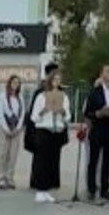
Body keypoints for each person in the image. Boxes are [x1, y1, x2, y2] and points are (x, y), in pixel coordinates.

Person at [82, 64, 109, 203]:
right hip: (97, 129)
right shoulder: (94, 91)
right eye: (107, 71)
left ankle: (104, 189)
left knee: (107, 161)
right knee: (93, 161)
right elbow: (87, 112)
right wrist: (98, 113)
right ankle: (91, 189)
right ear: (101, 74)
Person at [27, 70, 70, 204]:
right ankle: (40, 190)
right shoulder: (41, 96)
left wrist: (62, 112)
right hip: (43, 130)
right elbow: (33, 117)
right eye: (54, 79)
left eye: (58, 80)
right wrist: (44, 111)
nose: (56, 82)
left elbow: (68, 117)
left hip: (56, 130)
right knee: (42, 162)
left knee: (52, 161)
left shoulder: (64, 96)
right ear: (49, 81)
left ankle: (47, 190)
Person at [0, 74, 25, 189]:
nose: (15, 85)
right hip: (3, 129)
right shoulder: (1, 97)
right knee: (2, 154)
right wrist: (7, 129)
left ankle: (10, 177)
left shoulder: (20, 97)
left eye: (17, 83)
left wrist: (18, 128)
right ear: (9, 83)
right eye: (13, 82)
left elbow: (22, 114)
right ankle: (0, 177)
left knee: (13, 155)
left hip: (16, 129)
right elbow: (0, 114)